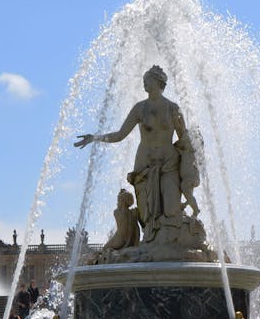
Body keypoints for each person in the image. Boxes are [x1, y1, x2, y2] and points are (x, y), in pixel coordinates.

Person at [74, 65, 198, 245]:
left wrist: (193, 158)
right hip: (144, 166)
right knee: (146, 215)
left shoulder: (173, 108)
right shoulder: (140, 108)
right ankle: (151, 246)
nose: (144, 82)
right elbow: (119, 135)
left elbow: (184, 139)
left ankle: (170, 243)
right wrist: (95, 138)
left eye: (147, 79)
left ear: (157, 81)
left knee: (171, 209)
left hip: (169, 164)